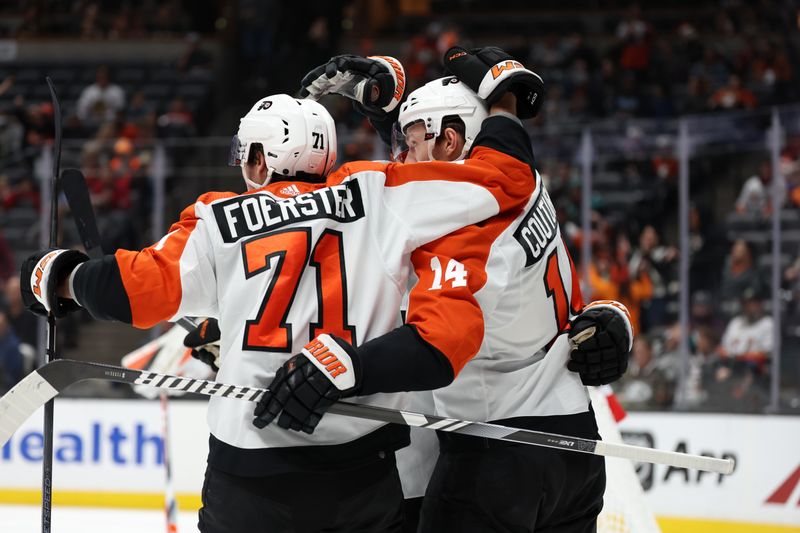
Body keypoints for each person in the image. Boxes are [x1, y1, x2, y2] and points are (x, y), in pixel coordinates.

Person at [21, 73, 540, 532]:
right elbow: (508, 178)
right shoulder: (381, 191)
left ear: (261, 158)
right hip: (363, 474)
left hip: (250, 481)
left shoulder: (217, 219)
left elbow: (130, 291)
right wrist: (502, 101)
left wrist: (59, 276)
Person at [295, 47, 633, 532]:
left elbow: (436, 342)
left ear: (451, 141)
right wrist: (384, 108)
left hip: (497, 451)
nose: (400, 155)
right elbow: (446, 178)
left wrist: (348, 368)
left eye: (409, 141)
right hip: (573, 444)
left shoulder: (463, 233)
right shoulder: (527, 184)